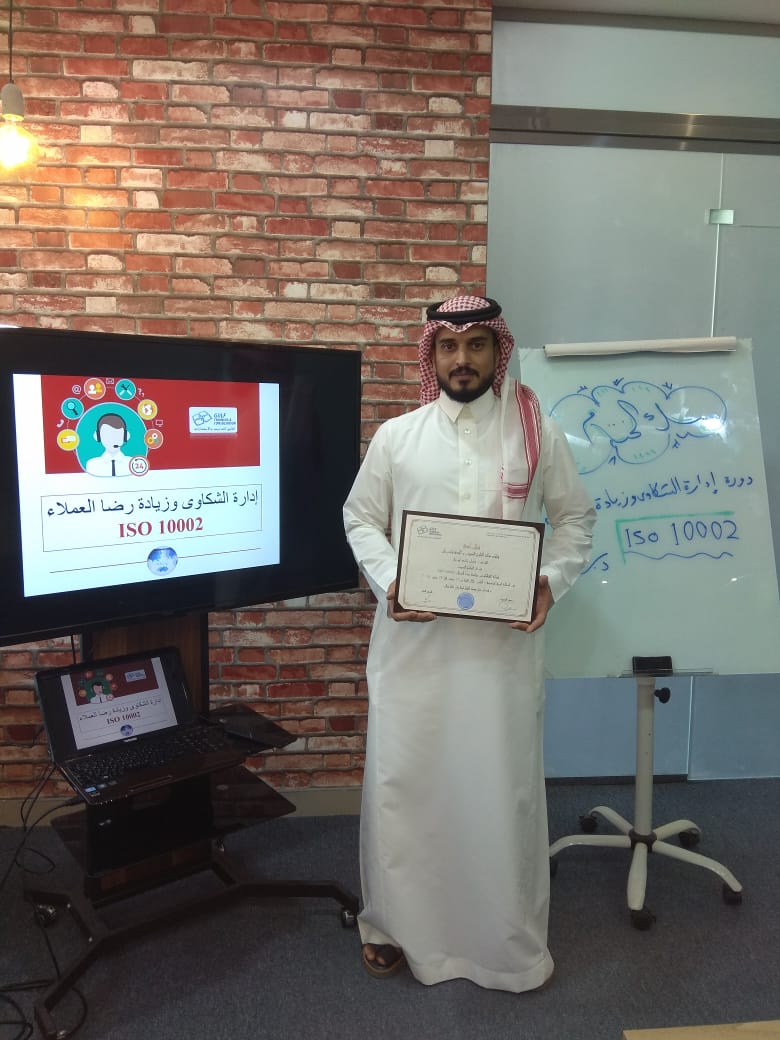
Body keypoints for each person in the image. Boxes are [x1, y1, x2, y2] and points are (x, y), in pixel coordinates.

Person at [343, 293, 596, 992]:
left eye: (476, 345)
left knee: (497, 789)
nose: (463, 359)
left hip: (499, 656)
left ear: (496, 351)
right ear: (431, 354)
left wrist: (548, 582)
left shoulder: (535, 433)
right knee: (406, 785)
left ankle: (498, 941)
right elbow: (361, 519)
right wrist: (393, 580)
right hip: (414, 651)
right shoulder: (397, 437)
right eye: (449, 346)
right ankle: (394, 925)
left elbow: (576, 521)